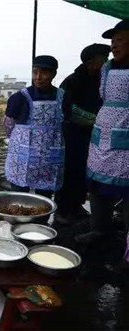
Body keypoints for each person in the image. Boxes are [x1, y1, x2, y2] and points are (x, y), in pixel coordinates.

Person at [76, 19, 129, 245]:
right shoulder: (106, 69)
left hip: (126, 136)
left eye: (120, 40)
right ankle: (100, 230)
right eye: (113, 41)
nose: (114, 45)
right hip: (103, 135)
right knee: (97, 184)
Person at [54, 44, 111, 224]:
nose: (105, 63)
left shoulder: (102, 81)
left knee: (86, 173)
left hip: (94, 136)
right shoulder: (73, 81)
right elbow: (67, 108)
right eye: (103, 59)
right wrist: (97, 120)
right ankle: (63, 209)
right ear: (90, 62)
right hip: (73, 135)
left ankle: (77, 206)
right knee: (71, 170)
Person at [4, 55, 71, 198]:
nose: (38, 77)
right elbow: (9, 124)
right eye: (35, 72)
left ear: (54, 74)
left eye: (44, 72)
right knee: (19, 196)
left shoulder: (63, 97)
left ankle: (40, 220)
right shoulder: (20, 98)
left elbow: (66, 122)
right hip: (22, 157)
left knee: (44, 199)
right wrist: (16, 139)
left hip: (50, 159)